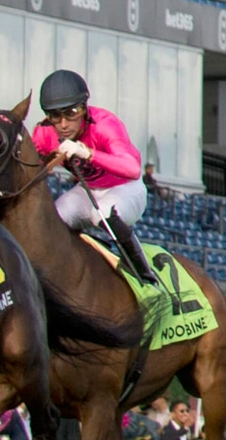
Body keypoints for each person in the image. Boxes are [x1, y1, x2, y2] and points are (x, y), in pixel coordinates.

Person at [31, 69, 156, 284]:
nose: (63, 124)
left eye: (71, 113)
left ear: (84, 109)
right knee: (54, 219)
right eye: (54, 115)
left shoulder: (105, 124)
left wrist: (87, 153)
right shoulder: (44, 133)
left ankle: (146, 277)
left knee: (103, 214)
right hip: (88, 189)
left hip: (125, 188)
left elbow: (132, 168)